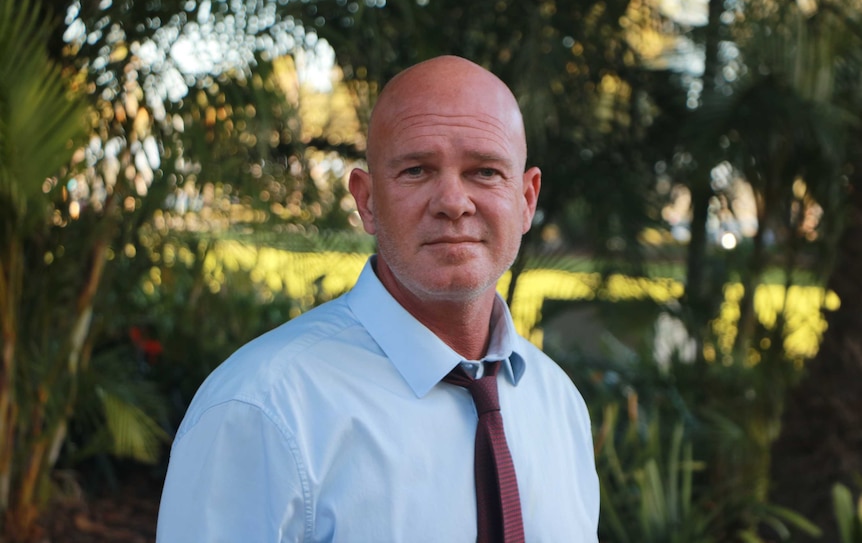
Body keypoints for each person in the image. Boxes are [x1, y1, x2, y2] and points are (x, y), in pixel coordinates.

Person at [156, 55, 599, 542]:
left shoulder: (558, 404)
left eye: (485, 171)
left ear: (527, 199)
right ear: (366, 201)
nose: (453, 202)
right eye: (416, 170)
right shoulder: (261, 411)